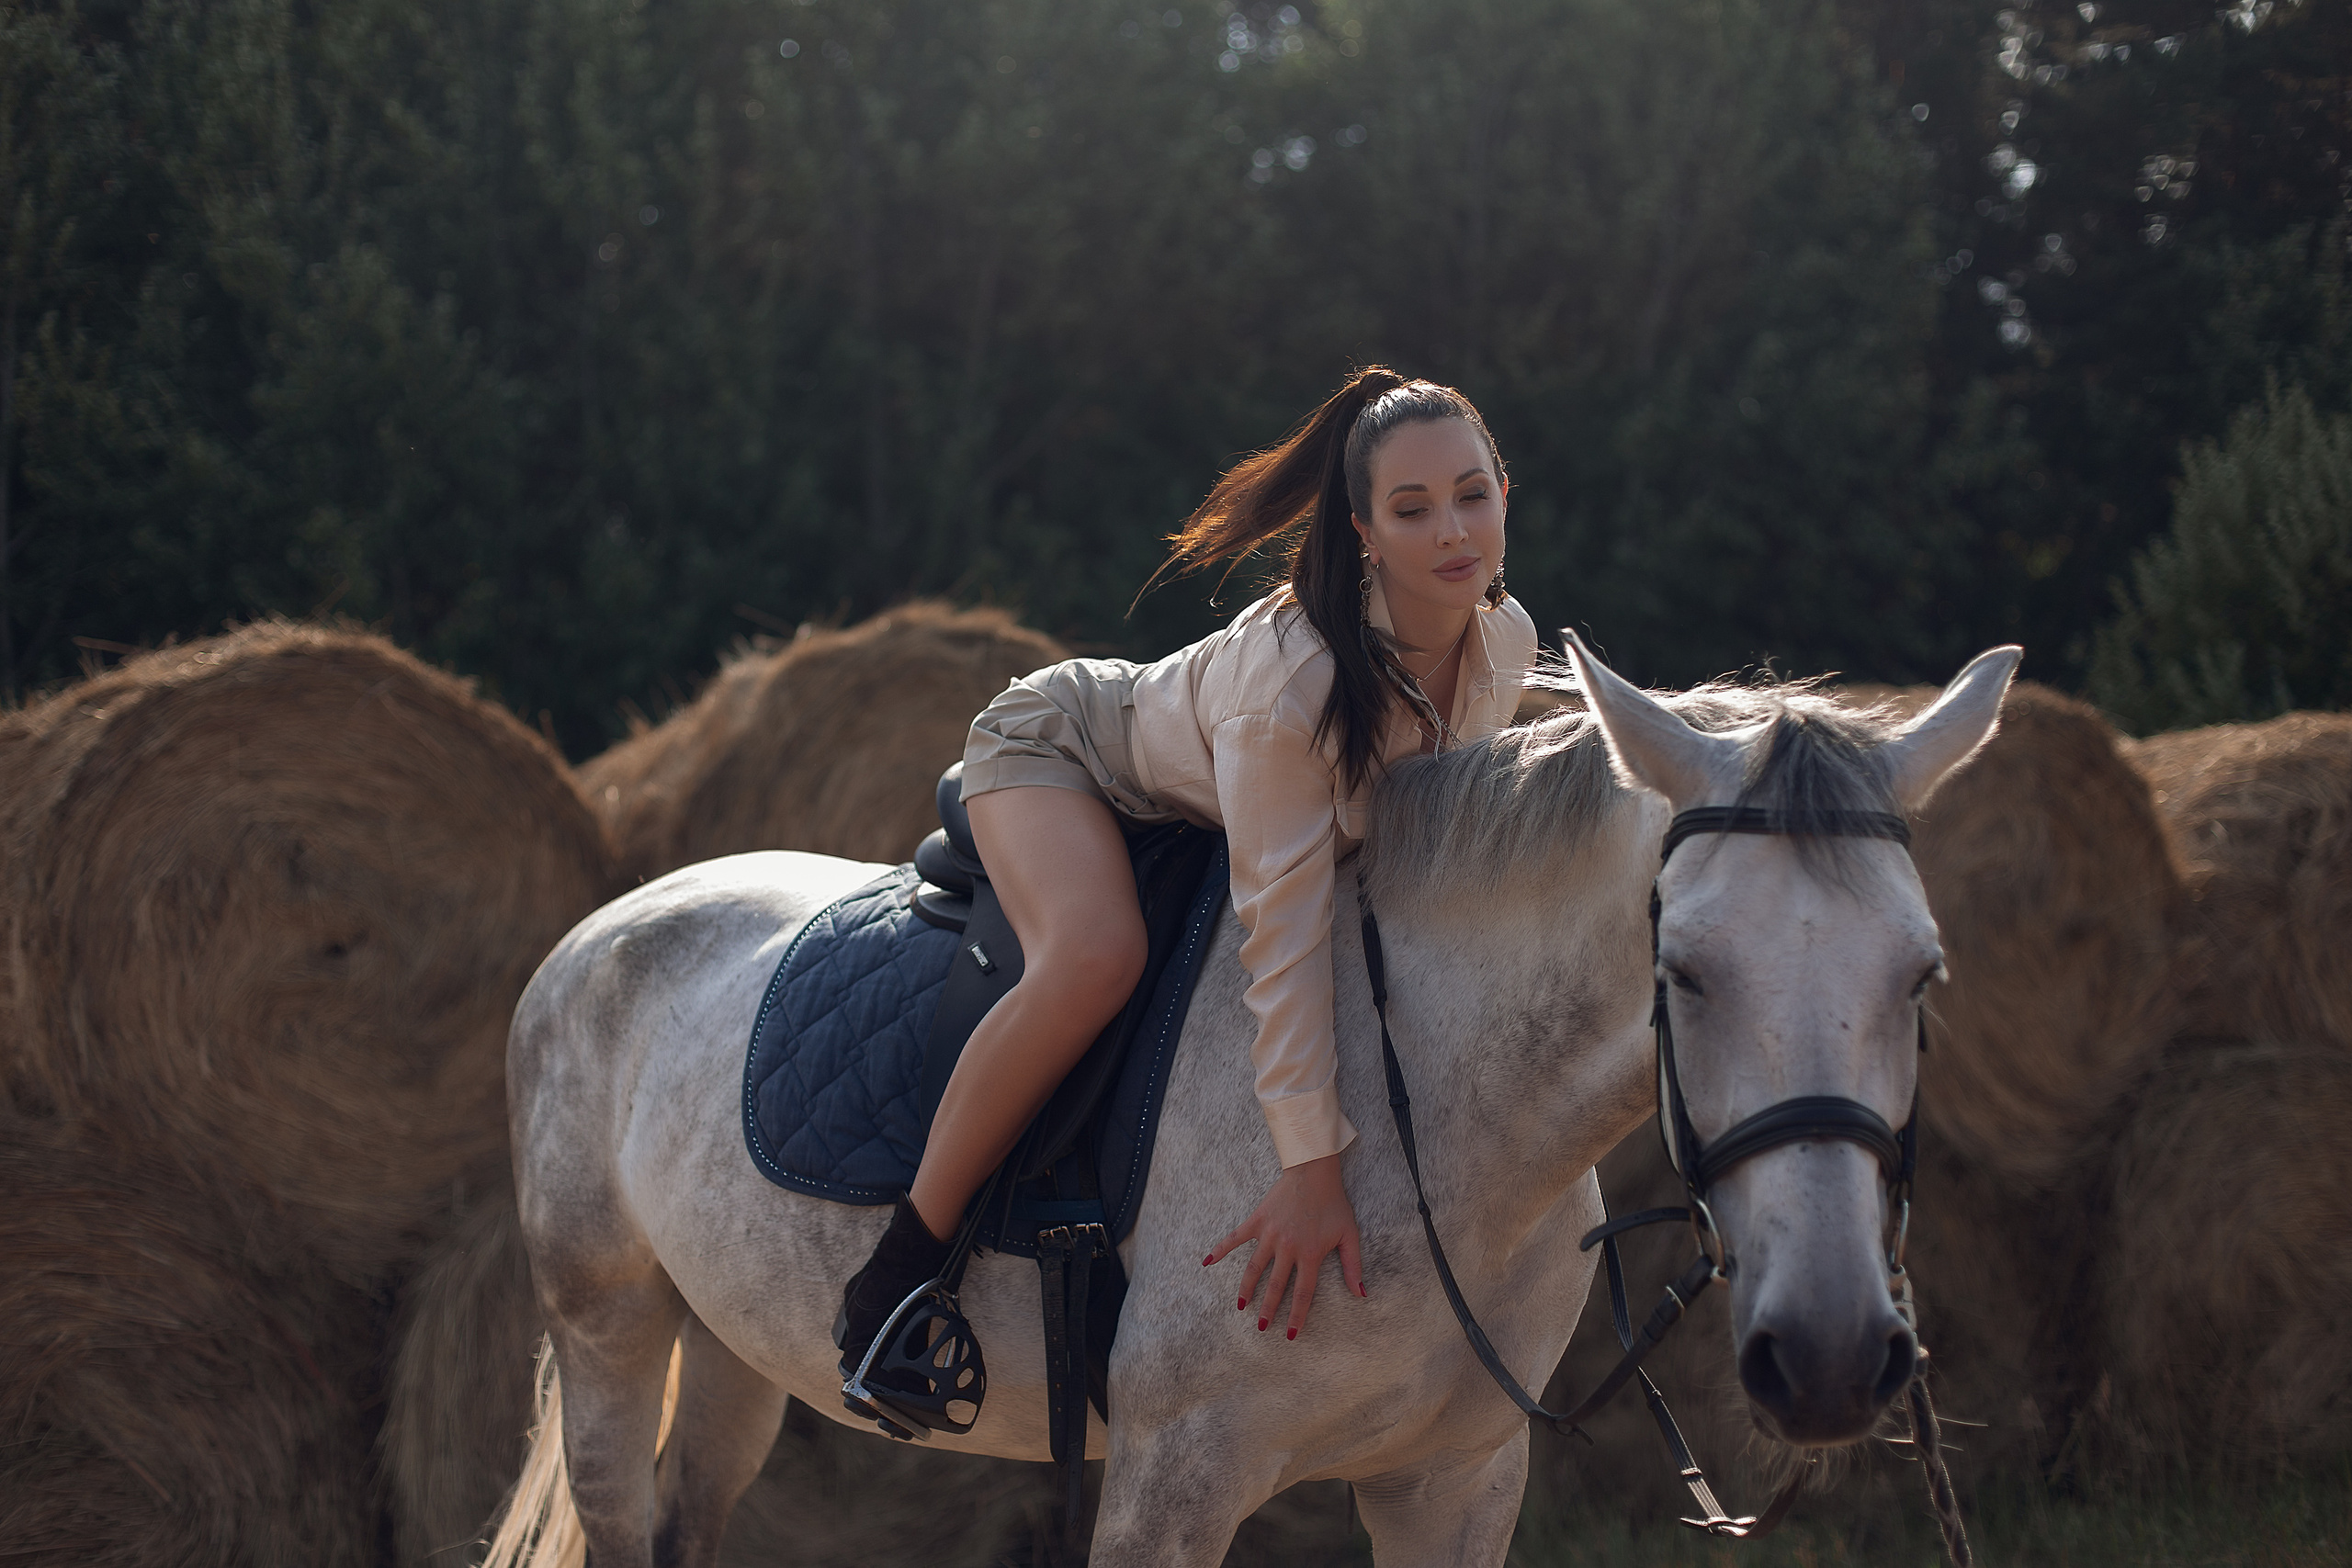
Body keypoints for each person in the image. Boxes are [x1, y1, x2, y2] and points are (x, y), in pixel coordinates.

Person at [837, 367, 1538, 1404]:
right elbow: (1284, 929)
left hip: (1198, 794)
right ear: (1362, 532)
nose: (1452, 533)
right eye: (1412, 509)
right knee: (1094, 957)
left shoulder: (1507, 644)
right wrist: (1310, 1169)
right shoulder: (1290, 690)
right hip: (1064, 751)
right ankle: (896, 1281)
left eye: (1471, 495)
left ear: (1504, 495)